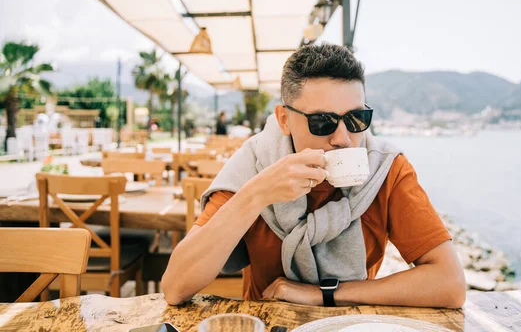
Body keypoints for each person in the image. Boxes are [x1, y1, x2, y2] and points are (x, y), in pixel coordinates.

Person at [163, 43, 466, 308]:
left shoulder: (385, 169)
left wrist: (326, 294)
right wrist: (257, 194)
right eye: (323, 122)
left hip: (354, 321)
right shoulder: (254, 164)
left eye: (356, 119)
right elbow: (175, 287)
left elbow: (450, 283)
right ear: (284, 119)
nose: (343, 138)